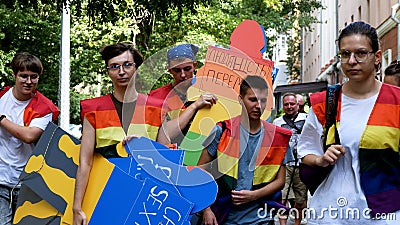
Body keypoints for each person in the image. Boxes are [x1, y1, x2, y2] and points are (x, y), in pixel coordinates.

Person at [298, 21, 400, 224]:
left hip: (384, 213)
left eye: (360, 53)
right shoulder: (324, 102)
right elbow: (305, 151)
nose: (352, 61)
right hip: (330, 213)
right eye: (345, 54)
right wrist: (321, 160)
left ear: (377, 57)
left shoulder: (396, 101)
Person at [72, 43, 165, 225]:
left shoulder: (157, 108)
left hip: (147, 198)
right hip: (104, 194)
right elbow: (85, 162)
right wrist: (77, 207)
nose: (121, 71)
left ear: (137, 68)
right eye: (114, 66)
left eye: (127, 65)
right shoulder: (93, 109)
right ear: (108, 71)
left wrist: (145, 147)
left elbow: (164, 159)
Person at [197, 75, 292, 225]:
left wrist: (254, 195)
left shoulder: (277, 136)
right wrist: (206, 210)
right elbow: (200, 171)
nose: (258, 106)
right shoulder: (221, 130)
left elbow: (280, 181)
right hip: (225, 216)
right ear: (240, 99)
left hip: (262, 217)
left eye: (263, 100)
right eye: (253, 100)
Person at [0, 52, 60, 225]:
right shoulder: (2, 97)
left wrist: (1, 119)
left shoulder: (45, 107)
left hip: (28, 182)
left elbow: (28, 136)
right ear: (14, 75)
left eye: (33, 77)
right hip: (1, 179)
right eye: (23, 76)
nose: (28, 81)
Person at [152, 43, 217, 146]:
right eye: (177, 70)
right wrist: (194, 106)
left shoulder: (209, 89)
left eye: (187, 69)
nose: (182, 75)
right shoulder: (157, 97)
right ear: (169, 70)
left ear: (194, 65)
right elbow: (160, 134)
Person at [273, 93, 307, 225]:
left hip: (302, 164)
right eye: (286, 104)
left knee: (300, 198)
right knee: (283, 196)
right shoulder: (277, 122)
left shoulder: (307, 118)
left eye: (292, 104)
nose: (289, 106)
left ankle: (297, 223)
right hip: (284, 164)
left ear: (297, 105)